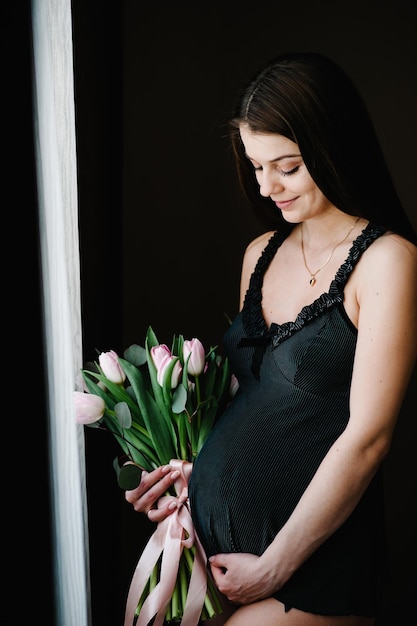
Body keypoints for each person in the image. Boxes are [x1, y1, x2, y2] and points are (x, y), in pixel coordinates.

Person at [125, 52, 417, 625]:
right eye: (256, 166)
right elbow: (252, 403)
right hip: (218, 562)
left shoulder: (387, 262)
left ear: (332, 147)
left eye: (286, 166)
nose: (266, 187)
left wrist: (275, 566)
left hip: (310, 572)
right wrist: (193, 470)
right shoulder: (260, 254)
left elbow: (369, 439)